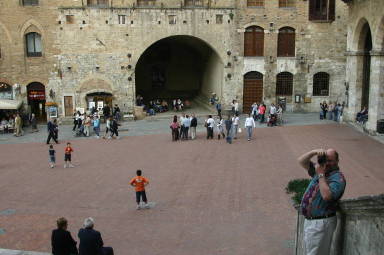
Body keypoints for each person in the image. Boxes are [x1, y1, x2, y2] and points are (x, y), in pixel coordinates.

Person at [298, 148, 346, 255]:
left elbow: (327, 196)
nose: (327, 163)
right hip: (312, 221)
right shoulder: (321, 169)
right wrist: (313, 152)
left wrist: (320, 174)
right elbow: (301, 161)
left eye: (330, 160)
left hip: (321, 223)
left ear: (337, 161)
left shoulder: (338, 178)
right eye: (325, 160)